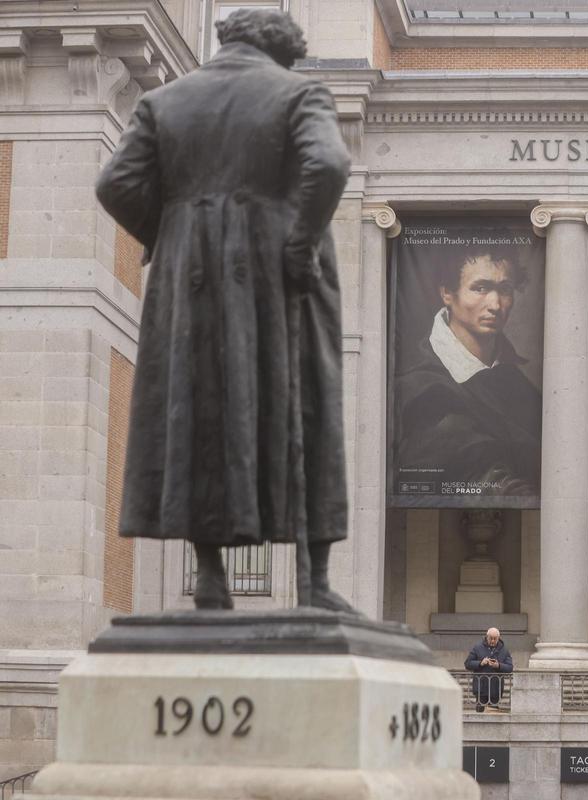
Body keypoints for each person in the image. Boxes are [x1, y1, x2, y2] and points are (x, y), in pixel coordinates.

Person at [95, 8, 354, 612]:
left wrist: (172, 230)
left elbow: (115, 184)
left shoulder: (168, 101)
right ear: (283, 53)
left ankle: (210, 579)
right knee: (308, 406)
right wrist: (298, 241)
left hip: (190, 280)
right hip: (281, 274)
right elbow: (330, 163)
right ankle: (314, 585)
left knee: (196, 409)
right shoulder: (299, 91)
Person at [396, 245, 541, 495]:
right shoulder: (417, 383)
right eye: (481, 288)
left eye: (505, 290)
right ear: (447, 293)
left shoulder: (518, 383)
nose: (495, 304)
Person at [464, 627, 514, 712]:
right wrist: (480, 663)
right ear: (487, 637)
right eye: (491, 638)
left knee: (493, 713)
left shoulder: (504, 650)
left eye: (495, 639)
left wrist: (498, 665)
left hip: (495, 689)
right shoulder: (477, 647)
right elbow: (467, 663)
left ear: (499, 638)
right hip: (481, 688)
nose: (493, 641)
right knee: (480, 713)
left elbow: (510, 667)